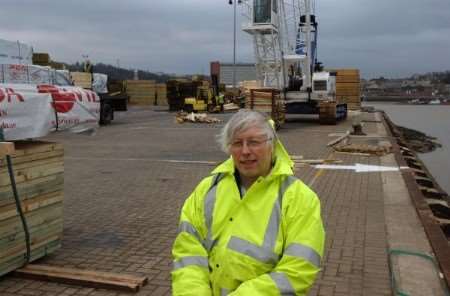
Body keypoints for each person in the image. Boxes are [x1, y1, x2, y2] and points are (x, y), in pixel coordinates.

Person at [172, 109, 325, 295]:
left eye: (253, 142)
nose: (245, 151)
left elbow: (298, 270)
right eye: (237, 143)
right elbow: (188, 253)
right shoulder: (207, 189)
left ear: (272, 145)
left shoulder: (300, 199)